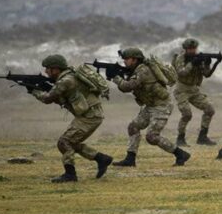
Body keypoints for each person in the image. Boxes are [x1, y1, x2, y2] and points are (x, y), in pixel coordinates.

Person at [31, 54, 113, 183]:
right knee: (71, 142)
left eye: (48, 68)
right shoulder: (69, 76)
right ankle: (101, 159)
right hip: (90, 115)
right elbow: (61, 98)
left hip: (90, 117)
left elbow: (47, 98)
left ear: (56, 69)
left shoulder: (66, 81)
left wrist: (34, 91)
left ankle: (70, 175)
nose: (46, 71)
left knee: (64, 142)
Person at [109, 48, 191, 167]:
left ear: (135, 59)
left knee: (152, 136)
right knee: (133, 127)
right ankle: (130, 159)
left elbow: (128, 86)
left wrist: (116, 78)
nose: (124, 61)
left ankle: (180, 154)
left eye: (127, 59)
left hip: (162, 106)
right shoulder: (137, 70)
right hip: (151, 105)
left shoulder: (143, 70)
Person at [172, 38, 221, 146]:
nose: (192, 51)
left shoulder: (198, 58)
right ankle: (180, 139)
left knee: (209, 109)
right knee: (187, 114)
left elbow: (207, 74)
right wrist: (192, 63)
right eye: (190, 49)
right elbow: (181, 73)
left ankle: (202, 137)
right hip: (181, 89)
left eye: (194, 48)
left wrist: (211, 63)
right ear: (185, 49)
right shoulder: (180, 58)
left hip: (194, 89)